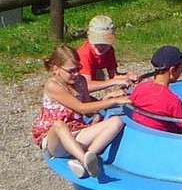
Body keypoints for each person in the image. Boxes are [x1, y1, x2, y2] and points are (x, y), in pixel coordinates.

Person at [32, 45, 132, 178]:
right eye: (71, 71)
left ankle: (85, 158)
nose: (76, 73)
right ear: (56, 69)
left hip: (77, 130)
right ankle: (84, 159)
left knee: (117, 121)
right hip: (56, 140)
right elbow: (80, 108)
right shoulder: (53, 85)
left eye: (78, 68)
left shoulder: (80, 81)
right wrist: (114, 101)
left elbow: (87, 108)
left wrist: (105, 99)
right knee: (59, 124)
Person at [130, 45, 182, 133]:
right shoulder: (173, 101)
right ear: (172, 70)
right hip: (162, 138)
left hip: (138, 132)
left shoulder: (140, 88)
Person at [76, 15, 139, 93]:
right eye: (97, 42)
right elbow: (86, 86)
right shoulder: (84, 54)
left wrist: (127, 76)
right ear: (88, 36)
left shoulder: (109, 50)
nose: (100, 46)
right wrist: (115, 81)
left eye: (104, 42)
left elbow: (113, 75)